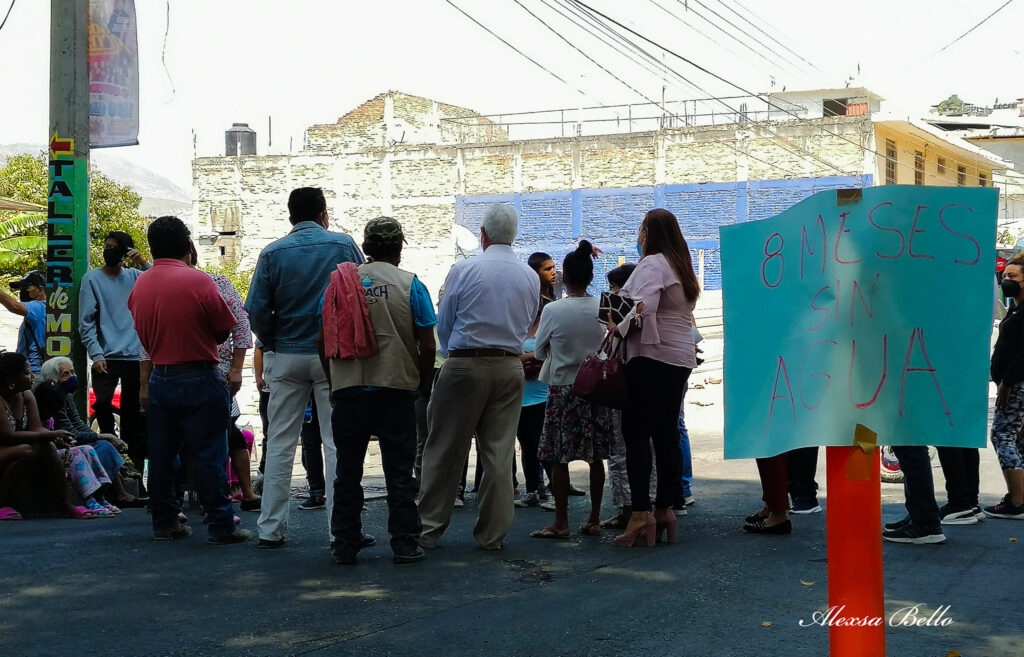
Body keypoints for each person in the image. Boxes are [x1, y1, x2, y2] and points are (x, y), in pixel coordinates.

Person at [245, 187, 364, 549]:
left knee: (280, 443)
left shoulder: (272, 252)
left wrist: (274, 341)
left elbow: (256, 310)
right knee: (335, 443)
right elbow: (363, 293)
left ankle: (270, 529)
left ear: (290, 216)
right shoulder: (344, 246)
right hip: (334, 356)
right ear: (324, 213)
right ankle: (339, 530)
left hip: (286, 354)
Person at [417, 204, 540, 550]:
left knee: (444, 447)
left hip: (465, 362)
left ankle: (429, 528)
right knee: (499, 453)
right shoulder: (529, 275)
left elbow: (445, 323)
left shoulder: (464, 269)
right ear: (513, 235)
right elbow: (529, 319)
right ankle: (492, 535)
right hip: (509, 366)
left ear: (483, 234)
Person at [320, 216, 436, 565]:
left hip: (349, 389)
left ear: (366, 248)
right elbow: (427, 343)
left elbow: (321, 337)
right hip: (395, 389)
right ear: (400, 247)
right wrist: (422, 381)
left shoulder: (338, 284)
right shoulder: (410, 284)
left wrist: (333, 381)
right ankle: (404, 543)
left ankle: (345, 543)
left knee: (348, 471)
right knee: (399, 471)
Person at [128, 216, 249, 544]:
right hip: (200, 375)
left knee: (163, 455)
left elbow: (142, 336)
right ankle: (222, 525)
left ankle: (165, 522)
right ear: (188, 246)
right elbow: (224, 329)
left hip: (161, 378)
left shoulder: (141, 284)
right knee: (209, 453)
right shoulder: (200, 282)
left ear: (152, 248)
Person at [607, 209, 698, 547]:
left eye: (641, 229)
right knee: (666, 434)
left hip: (650, 356)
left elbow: (641, 306)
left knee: (635, 433)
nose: (639, 235)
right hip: (679, 357)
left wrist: (617, 325)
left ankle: (640, 513)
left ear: (648, 232)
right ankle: (664, 511)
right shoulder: (681, 265)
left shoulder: (652, 264)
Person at [530, 241, 612, 539]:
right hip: (595, 389)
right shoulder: (602, 304)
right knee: (596, 457)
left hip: (563, 389)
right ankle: (594, 518)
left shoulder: (554, 309)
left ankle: (561, 521)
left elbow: (539, 352)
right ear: (590, 277)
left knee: (558, 456)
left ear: (565, 278)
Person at [79, 231, 151, 491]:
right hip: (106, 358)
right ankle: (111, 476)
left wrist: (142, 261)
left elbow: (159, 281)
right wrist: (96, 354)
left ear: (124, 251)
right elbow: (85, 321)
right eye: (105, 246)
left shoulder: (134, 277)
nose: (107, 250)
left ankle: (135, 478)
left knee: (134, 418)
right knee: (104, 410)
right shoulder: (92, 279)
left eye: (113, 247)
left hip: (135, 357)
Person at [0, 352, 97, 519]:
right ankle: (1, 503)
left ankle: (65, 504)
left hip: (14, 447)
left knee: (46, 446)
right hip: (5, 447)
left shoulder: (26, 395)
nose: (32, 375)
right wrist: (49, 435)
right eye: (26, 372)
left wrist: (53, 436)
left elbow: (36, 428)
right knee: (27, 451)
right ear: (11, 380)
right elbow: (8, 436)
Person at [37, 357, 143, 508]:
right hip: (62, 444)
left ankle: (116, 494)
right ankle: (112, 495)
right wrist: (102, 436)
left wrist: (102, 437)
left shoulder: (67, 396)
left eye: (72, 372)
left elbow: (78, 424)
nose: (72, 377)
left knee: (104, 444)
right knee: (102, 446)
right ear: (54, 379)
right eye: (65, 374)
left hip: (70, 441)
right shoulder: (53, 397)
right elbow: (69, 432)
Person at [599, 264, 656, 530]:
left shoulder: (629, 313)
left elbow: (615, 343)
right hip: (649, 381)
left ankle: (629, 509)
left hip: (623, 384)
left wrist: (613, 326)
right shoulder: (652, 308)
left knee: (621, 448)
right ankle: (650, 505)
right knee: (648, 445)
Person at [33, 381, 122, 518]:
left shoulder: (50, 418)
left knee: (87, 449)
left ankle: (99, 494)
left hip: (53, 449)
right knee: (76, 454)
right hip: (43, 452)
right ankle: (89, 499)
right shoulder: (35, 416)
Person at [983, 256, 1024, 520]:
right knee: (1019, 439)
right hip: (1012, 382)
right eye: (1004, 276)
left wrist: (1007, 382)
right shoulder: (1016, 307)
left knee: (1002, 436)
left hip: (1017, 384)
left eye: (1012, 277)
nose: (1005, 281)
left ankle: (1016, 501)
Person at [0, 271, 47, 375]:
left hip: (33, 370)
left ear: (40, 289)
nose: (22, 293)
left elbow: (14, 306)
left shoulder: (39, 307)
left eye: (26, 289)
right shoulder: (43, 308)